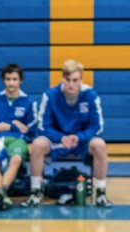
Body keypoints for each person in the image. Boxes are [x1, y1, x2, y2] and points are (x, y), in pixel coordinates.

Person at [25, 59, 113, 208]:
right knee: (37, 144)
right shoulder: (50, 95)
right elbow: (43, 126)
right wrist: (61, 138)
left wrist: (79, 137)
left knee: (100, 144)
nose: (71, 84)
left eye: (75, 80)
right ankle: (36, 192)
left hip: (81, 140)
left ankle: (101, 193)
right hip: (58, 138)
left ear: (81, 80)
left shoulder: (91, 95)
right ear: (62, 79)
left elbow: (97, 126)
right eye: (68, 80)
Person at [0, 63, 38, 211]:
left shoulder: (30, 103)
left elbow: (31, 130)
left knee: (16, 159)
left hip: (18, 139)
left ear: (21, 81)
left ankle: (0, 192)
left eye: (14, 79)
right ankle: (4, 196)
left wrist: (9, 126)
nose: (11, 83)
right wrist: (17, 125)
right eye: (8, 79)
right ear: (3, 80)